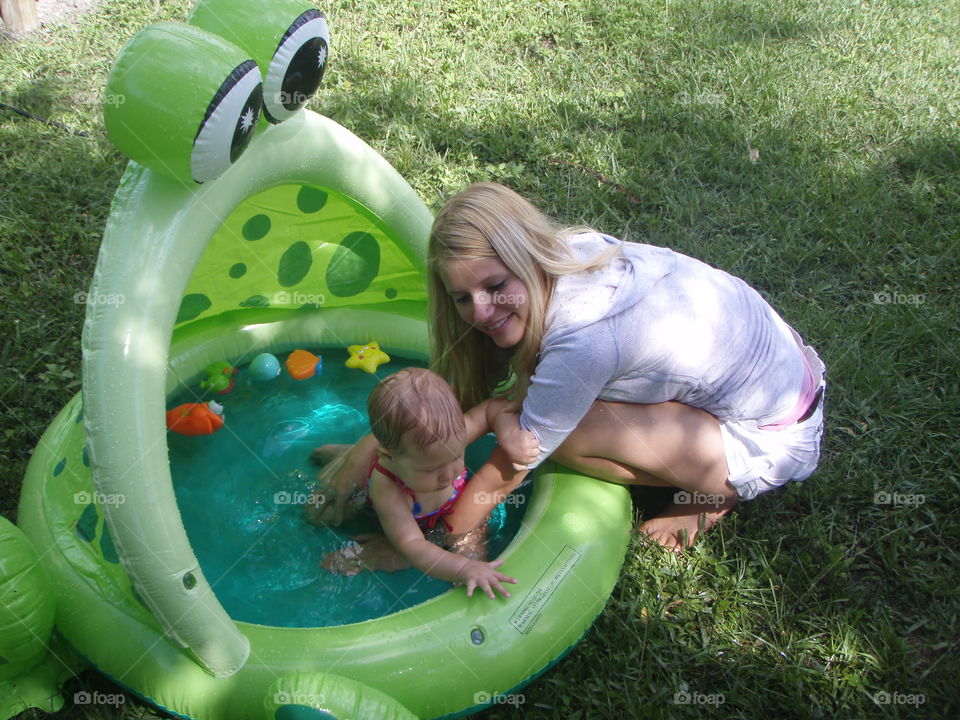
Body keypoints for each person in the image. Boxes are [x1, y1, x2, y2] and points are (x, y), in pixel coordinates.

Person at [426, 182, 826, 550]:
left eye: (496, 287)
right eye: (462, 298)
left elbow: (516, 461)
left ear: (529, 258)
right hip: (775, 372)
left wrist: (442, 538)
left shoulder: (584, 336)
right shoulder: (568, 252)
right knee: (546, 408)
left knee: (557, 438)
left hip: (770, 434)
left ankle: (715, 494)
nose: (479, 312)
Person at [309, 367, 537, 598]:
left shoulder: (445, 438)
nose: (449, 474)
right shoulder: (388, 489)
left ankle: (348, 453)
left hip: (443, 504)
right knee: (322, 515)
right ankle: (346, 456)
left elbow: (492, 409)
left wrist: (510, 435)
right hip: (407, 520)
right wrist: (464, 568)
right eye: (432, 469)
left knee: (474, 547)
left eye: (456, 456)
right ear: (389, 459)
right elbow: (412, 545)